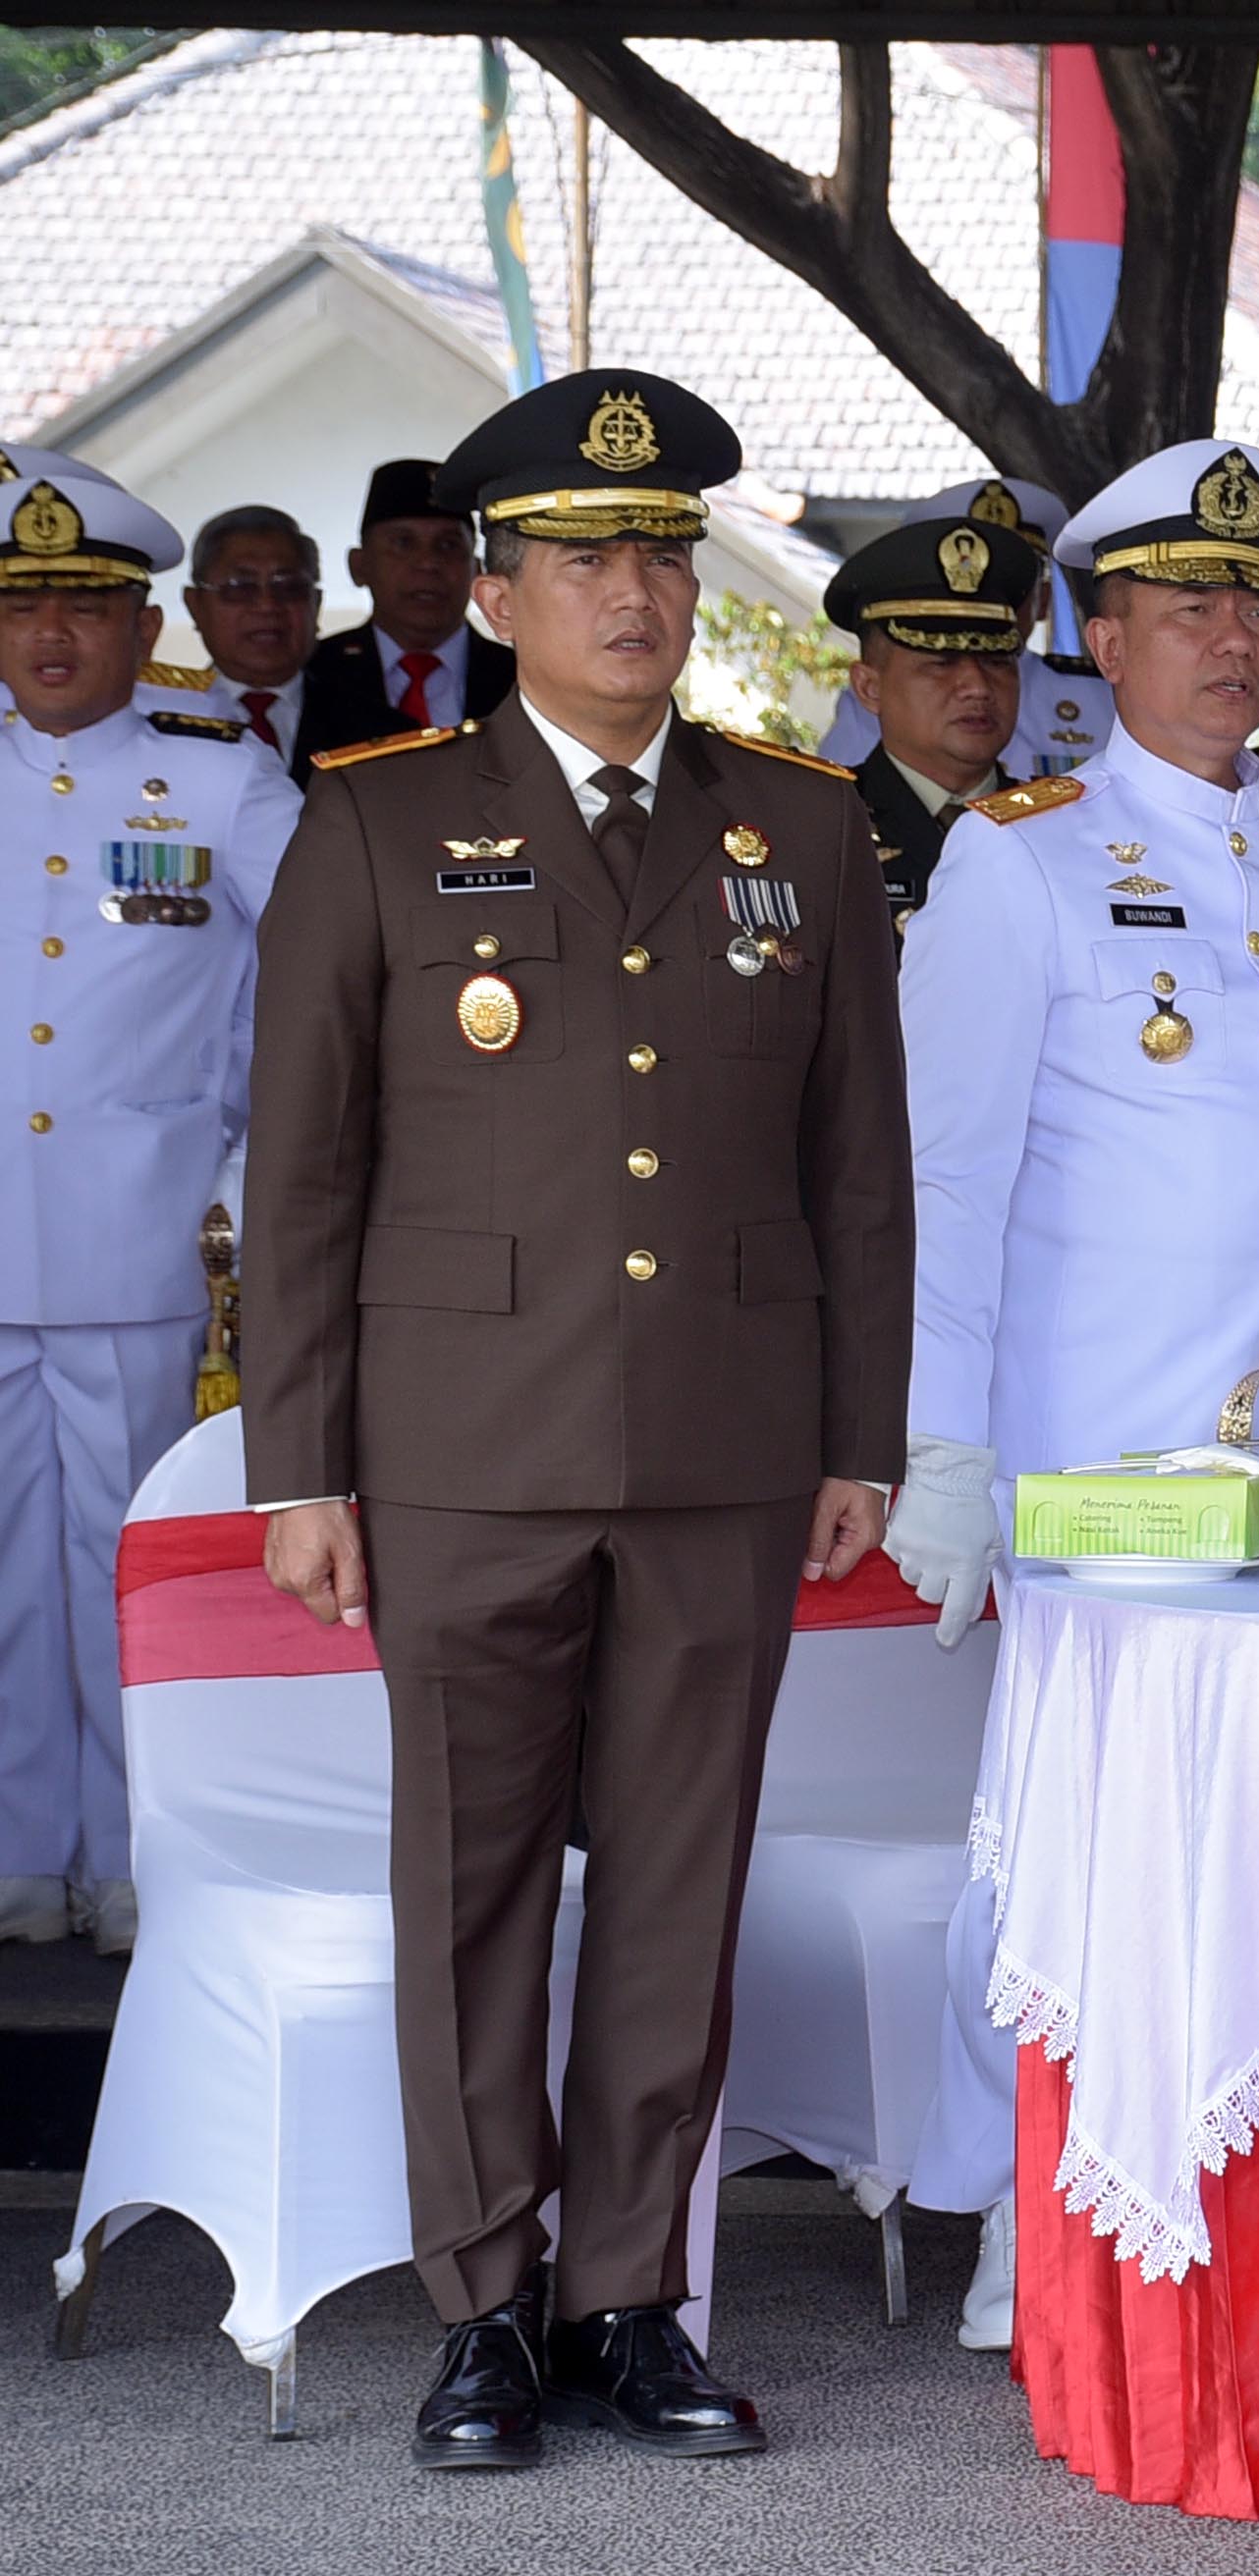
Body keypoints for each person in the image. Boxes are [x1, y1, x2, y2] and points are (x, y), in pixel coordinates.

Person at [242, 371, 911, 2469]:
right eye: (589, 555)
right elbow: (304, 1172)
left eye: (665, 553)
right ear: (497, 592)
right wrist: (301, 1464)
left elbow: (860, 1166)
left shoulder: (804, 826)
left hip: (725, 1439)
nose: (637, 589)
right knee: (473, 1887)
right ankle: (482, 2306)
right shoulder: (373, 818)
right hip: (466, 1443)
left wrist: (861, 1431)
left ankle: (628, 2292)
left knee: (679, 1885)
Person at [886, 440, 1259, 2352]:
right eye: (1187, 605)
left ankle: (1248, 2177)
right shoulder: (1021, 855)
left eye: (1256, 602)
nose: (1235, 638)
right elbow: (948, 1178)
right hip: (1104, 1438)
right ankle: (1021, 2200)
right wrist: (943, 1446)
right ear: (1103, 636)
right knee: (1066, 1829)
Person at [0, 468, 300, 1957]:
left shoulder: (221, 780)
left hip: (153, 1239)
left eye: (85, 606)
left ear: (144, 626)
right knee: (7, 1569)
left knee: (126, 1561)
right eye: (24, 609)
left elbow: (321, 991)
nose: (53, 635)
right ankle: (19, 1849)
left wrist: (252, 1184)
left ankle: (133, 1853)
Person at [817, 511, 1041, 921]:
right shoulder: (821, 828)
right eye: (942, 662)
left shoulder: (1060, 825)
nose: (977, 686)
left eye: (997, 661)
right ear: (869, 687)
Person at [818, 475, 1113, 780]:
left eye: (1013, 581)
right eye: (941, 662)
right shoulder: (890, 689)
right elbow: (844, 794)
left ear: (1045, 598)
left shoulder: (1101, 696)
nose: (977, 687)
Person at [297, 458, 516, 761]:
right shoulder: (311, 675)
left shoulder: (522, 678)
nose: (428, 563)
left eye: (448, 545)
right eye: (403, 543)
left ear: (477, 570)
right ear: (359, 566)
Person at [179, 503, 324, 778]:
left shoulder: (377, 728)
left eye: (289, 587)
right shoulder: (158, 724)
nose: (267, 605)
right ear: (195, 605)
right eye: (240, 588)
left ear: (316, 604)